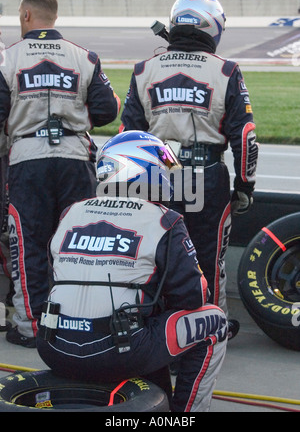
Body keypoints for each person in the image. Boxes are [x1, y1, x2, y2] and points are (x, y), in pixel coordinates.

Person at [36, 130, 228, 413]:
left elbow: (59, 277)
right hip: (120, 350)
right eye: (163, 167)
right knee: (215, 321)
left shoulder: (71, 212)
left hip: (53, 347)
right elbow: (194, 296)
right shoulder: (164, 219)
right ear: (141, 170)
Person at [120, 0, 259, 340]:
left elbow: (127, 137)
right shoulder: (225, 70)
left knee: (154, 253)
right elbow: (245, 136)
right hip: (205, 174)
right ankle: (208, 331)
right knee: (206, 258)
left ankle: (156, 329)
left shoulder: (144, 69)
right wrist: (245, 186)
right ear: (212, 26)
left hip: (157, 175)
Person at [0, 0, 120, 347]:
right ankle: (78, 322)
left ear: (25, 16)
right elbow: (106, 111)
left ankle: (31, 327)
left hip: (26, 159)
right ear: (54, 18)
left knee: (29, 243)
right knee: (77, 244)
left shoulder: (7, 59)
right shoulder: (84, 57)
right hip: (75, 158)